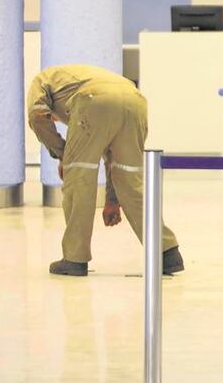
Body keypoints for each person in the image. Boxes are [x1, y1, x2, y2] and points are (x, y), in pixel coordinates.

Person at [27, 65, 184, 277]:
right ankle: (167, 252)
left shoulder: (40, 81)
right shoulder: (75, 79)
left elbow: (37, 116)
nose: (57, 120)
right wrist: (112, 200)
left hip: (93, 100)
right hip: (135, 101)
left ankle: (75, 258)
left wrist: (62, 153)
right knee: (131, 180)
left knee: (79, 177)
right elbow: (112, 158)